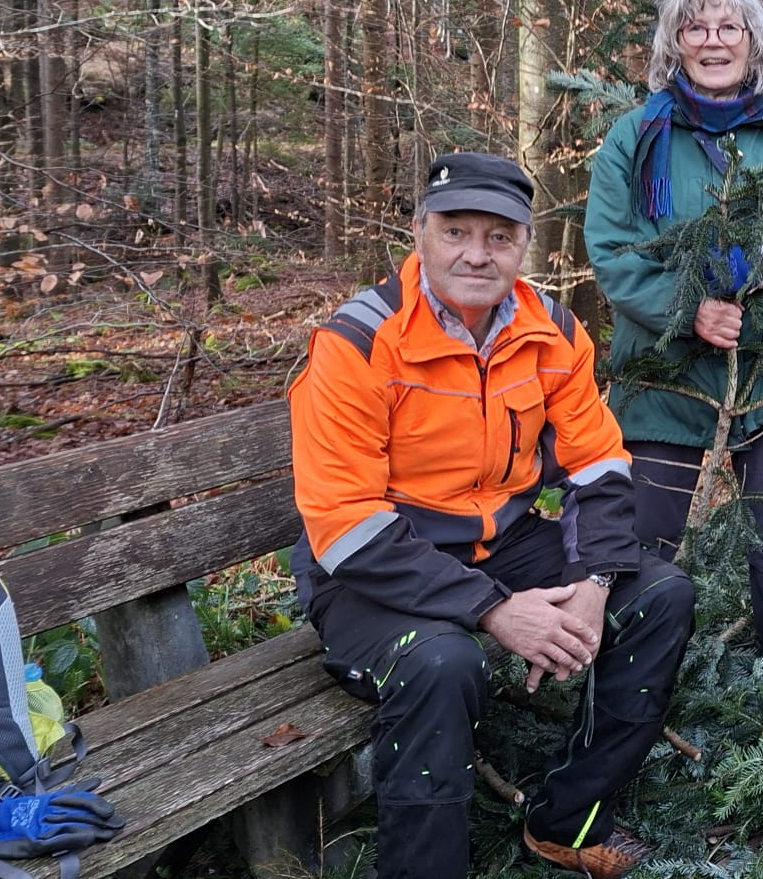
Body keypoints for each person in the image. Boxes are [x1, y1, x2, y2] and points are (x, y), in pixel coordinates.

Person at [289, 151, 694, 879]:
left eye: (499, 236)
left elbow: (599, 464)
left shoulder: (553, 331)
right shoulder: (359, 341)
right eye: (456, 231)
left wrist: (597, 581)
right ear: (420, 232)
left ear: (524, 245)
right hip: (371, 569)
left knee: (659, 596)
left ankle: (567, 820)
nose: (477, 254)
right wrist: (495, 609)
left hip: (499, 542)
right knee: (441, 661)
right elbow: (346, 522)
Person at [584, 0, 763, 664]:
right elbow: (612, 252)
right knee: (643, 537)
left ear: (751, 41)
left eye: (728, 27)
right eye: (695, 28)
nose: (712, 41)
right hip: (664, 369)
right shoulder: (634, 140)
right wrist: (688, 313)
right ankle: (628, 679)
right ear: (674, 44)